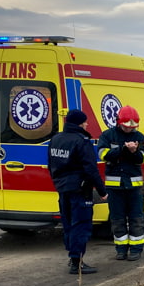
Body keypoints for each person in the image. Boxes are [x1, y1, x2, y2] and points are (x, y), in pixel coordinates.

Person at [48, 110, 108, 275]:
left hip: (63, 189)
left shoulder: (56, 139)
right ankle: (77, 262)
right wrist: (102, 191)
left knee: (68, 224)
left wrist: (58, 184)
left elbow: (50, 165)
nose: (87, 124)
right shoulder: (81, 141)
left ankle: (72, 257)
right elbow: (91, 169)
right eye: (85, 122)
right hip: (80, 190)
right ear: (79, 123)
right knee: (81, 225)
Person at [97, 106, 144, 261]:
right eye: (126, 127)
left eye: (132, 127)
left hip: (134, 187)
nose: (129, 130)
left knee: (136, 218)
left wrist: (134, 152)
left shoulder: (139, 137)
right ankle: (120, 249)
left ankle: (136, 249)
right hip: (115, 188)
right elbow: (103, 155)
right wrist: (122, 149)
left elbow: (143, 158)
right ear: (119, 122)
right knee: (117, 219)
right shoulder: (107, 136)